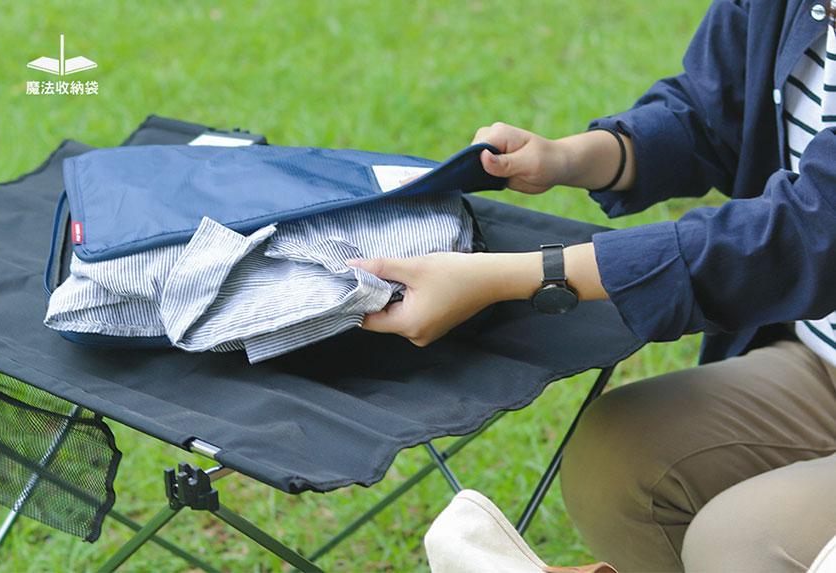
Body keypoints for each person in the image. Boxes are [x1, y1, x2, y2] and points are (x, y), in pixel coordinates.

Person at [347, 1, 836, 571]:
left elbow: (804, 234)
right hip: (820, 363)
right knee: (614, 463)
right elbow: (710, 114)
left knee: (737, 542)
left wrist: (518, 276)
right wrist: (568, 157)